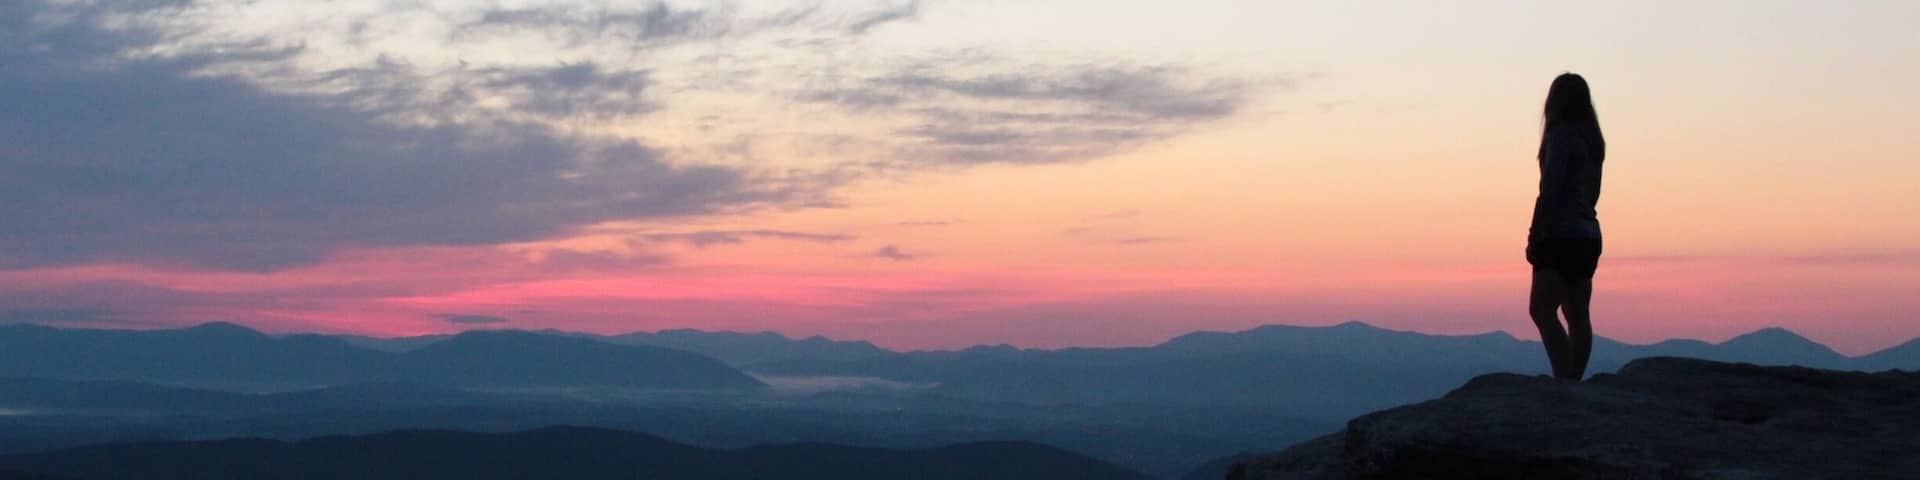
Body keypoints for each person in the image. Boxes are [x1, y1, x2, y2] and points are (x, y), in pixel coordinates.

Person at [1528, 73, 1606, 381]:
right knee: (1577, 314)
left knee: (1542, 309)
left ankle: (1565, 379)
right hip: (1587, 235)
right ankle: (1574, 378)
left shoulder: (1561, 138)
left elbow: (1551, 190)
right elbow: (1592, 194)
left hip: (1560, 234)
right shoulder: (1593, 143)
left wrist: (1536, 234)